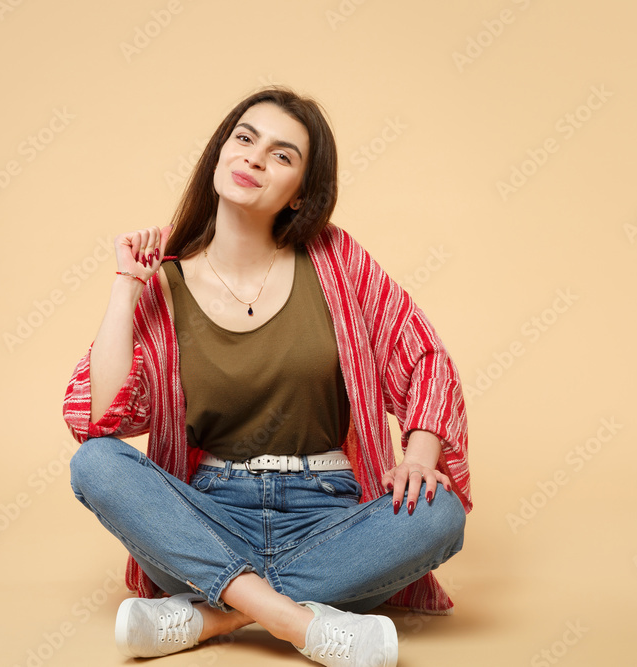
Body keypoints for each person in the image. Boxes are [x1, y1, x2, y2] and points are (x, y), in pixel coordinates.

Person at [62, 85, 471, 667]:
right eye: (245, 139)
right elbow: (101, 417)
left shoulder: (335, 260)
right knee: (95, 464)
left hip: (327, 511)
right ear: (220, 155)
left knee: (440, 513)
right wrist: (127, 285)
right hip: (207, 516)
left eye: (282, 155)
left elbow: (424, 355)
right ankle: (298, 622)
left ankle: (212, 614)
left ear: (302, 194)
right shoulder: (165, 285)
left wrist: (420, 456)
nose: (254, 157)